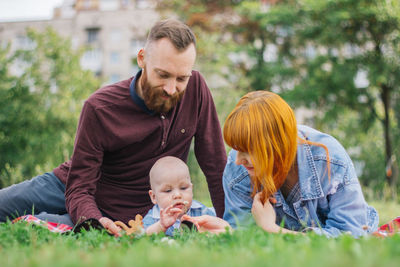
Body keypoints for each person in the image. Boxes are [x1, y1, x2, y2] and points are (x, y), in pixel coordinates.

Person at [0, 19, 227, 236]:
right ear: (142, 58)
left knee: (42, 224)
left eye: (181, 78)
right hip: (69, 185)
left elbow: (215, 164)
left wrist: (230, 223)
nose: (171, 88)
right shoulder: (100, 107)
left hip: (118, 211)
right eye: (163, 75)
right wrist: (91, 215)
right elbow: (79, 187)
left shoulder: (196, 89)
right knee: (4, 206)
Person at [184, 91, 379, 237]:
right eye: (236, 148)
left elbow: (352, 236)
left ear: (277, 145)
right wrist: (230, 231)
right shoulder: (238, 172)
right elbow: (245, 238)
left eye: (247, 149)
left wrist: (273, 230)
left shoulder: (329, 159)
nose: (238, 159)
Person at [142, 156, 216, 236]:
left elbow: (218, 226)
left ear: (191, 189)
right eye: (168, 190)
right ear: (154, 197)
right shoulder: (153, 218)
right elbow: (143, 236)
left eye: (183, 188)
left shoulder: (201, 211)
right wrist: (161, 226)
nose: (177, 195)